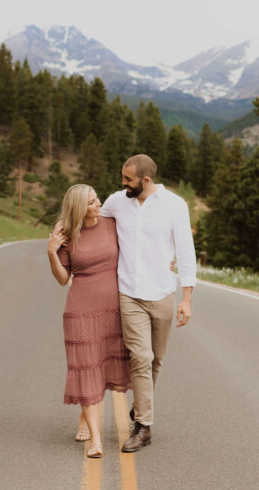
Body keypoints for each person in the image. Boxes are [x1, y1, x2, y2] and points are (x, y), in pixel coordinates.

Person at [100, 154, 196, 453]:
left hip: (163, 294)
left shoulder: (175, 205)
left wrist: (187, 298)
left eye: (128, 179)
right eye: (122, 177)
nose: (122, 183)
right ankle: (144, 426)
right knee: (140, 357)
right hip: (129, 293)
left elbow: (185, 251)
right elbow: (93, 222)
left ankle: (141, 408)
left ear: (146, 180)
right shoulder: (117, 201)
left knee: (156, 360)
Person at [46, 184, 132, 459]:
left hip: (114, 309)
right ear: (78, 210)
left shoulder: (112, 223)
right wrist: (51, 251)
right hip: (81, 311)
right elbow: (62, 279)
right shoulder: (67, 234)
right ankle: (95, 439)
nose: (99, 205)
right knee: (86, 368)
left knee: (103, 367)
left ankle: (86, 418)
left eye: (97, 199)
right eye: (92, 203)